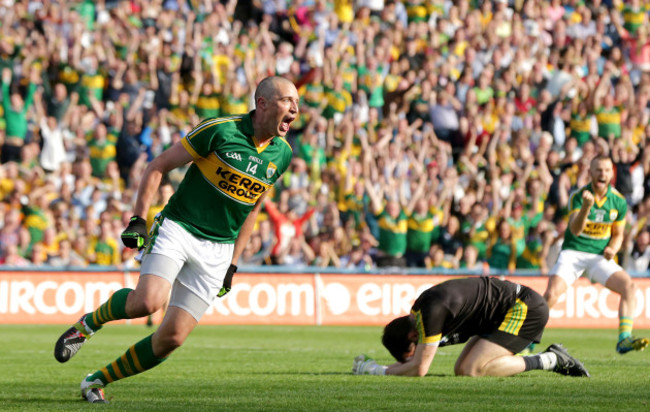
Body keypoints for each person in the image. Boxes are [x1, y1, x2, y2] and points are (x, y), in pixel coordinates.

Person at [53, 76, 300, 403]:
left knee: (172, 337)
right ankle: (87, 325)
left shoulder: (282, 154)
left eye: (296, 103)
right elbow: (158, 166)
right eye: (287, 100)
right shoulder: (219, 130)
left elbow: (252, 208)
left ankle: (97, 381)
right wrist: (139, 219)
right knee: (147, 302)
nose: (295, 109)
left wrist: (233, 264)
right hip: (180, 227)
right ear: (263, 103)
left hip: (219, 248)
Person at [352, 277, 590, 378]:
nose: (414, 355)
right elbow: (415, 363)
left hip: (524, 309)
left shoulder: (430, 314)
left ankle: (551, 359)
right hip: (501, 313)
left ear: (413, 335)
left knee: (474, 369)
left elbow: (419, 368)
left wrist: (373, 370)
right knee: (464, 369)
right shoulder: (420, 313)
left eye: (410, 350)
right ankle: (550, 358)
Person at [543, 156, 648, 355]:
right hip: (573, 253)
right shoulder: (578, 196)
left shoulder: (618, 201)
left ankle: (624, 339)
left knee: (630, 287)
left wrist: (613, 248)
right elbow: (574, 229)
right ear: (590, 172)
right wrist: (586, 207)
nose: (603, 174)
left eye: (607, 170)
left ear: (612, 173)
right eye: (598, 170)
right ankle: (527, 341)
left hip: (599, 257)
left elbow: (617, 235)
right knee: (550, 295)